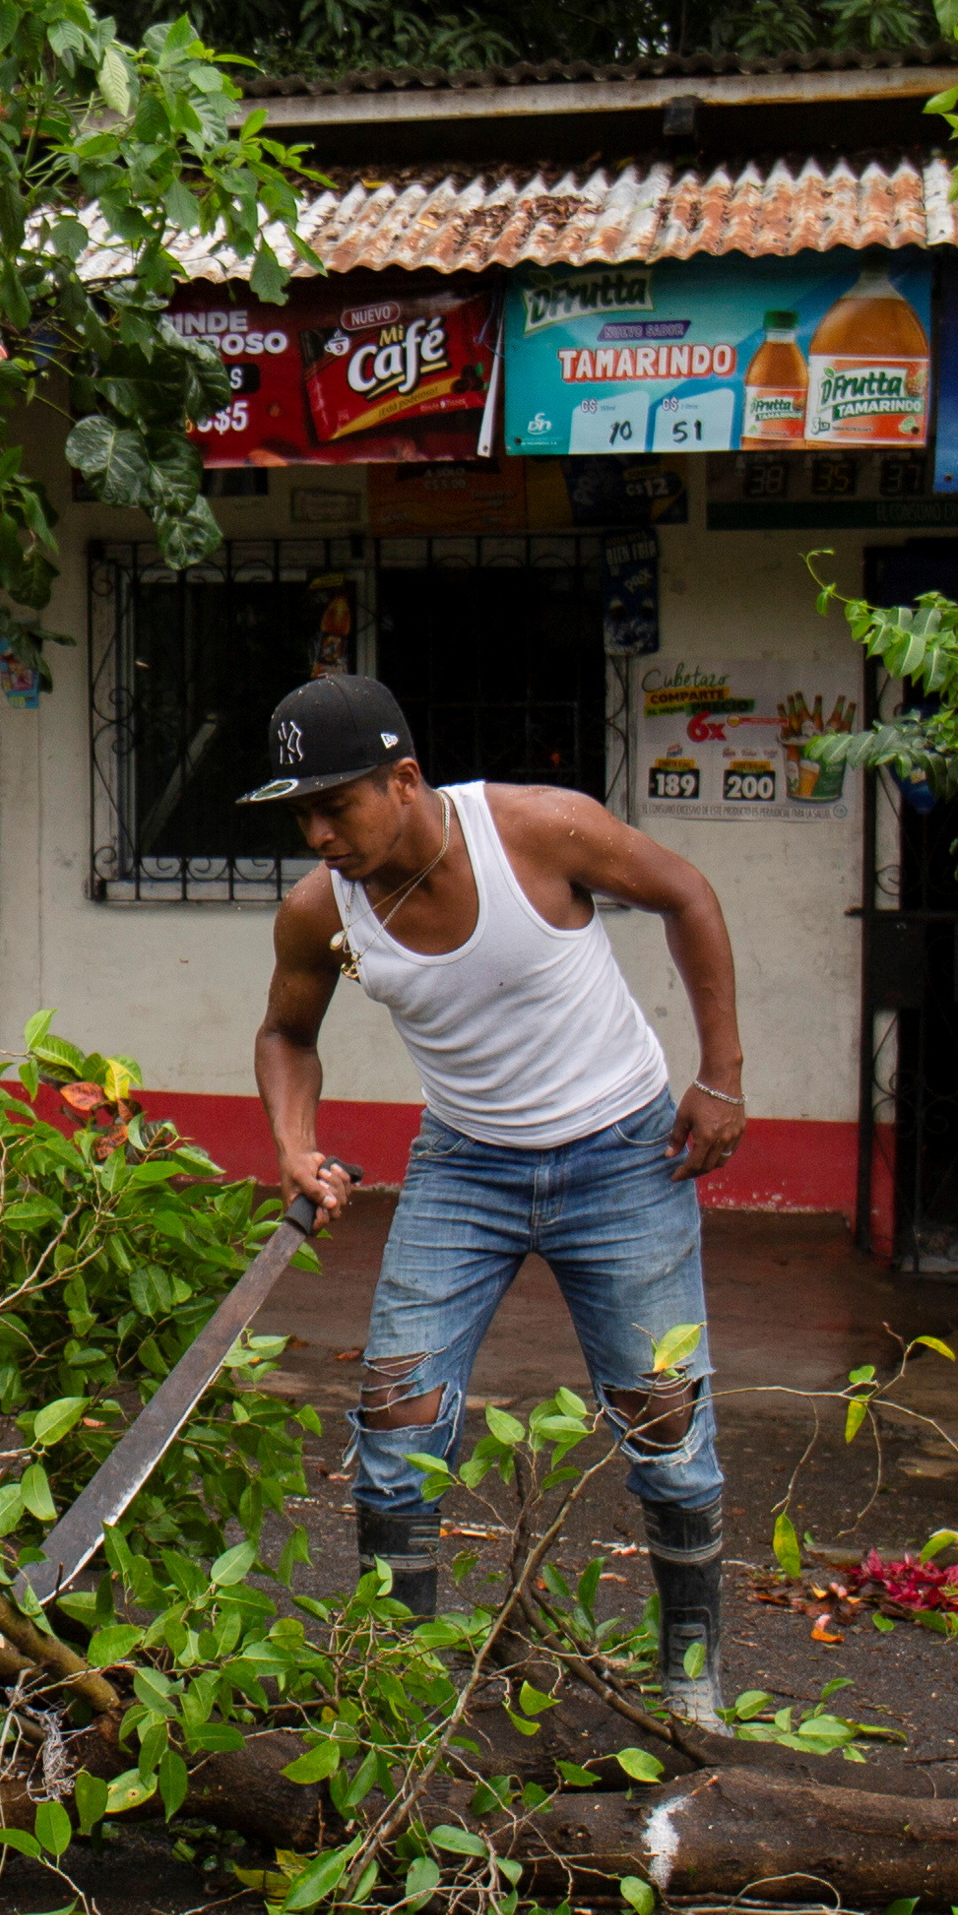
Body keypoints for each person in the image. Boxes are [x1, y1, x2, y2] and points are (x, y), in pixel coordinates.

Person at [244, 672, 753, 1721]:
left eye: (335, 804)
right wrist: (294, 1145)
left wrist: (721, 1077)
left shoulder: (539, 830)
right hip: (464, 1169)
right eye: (301, 812)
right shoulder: (318, 911)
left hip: (624, 1157)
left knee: (666, 1426)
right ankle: (406, 1691)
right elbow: (286, 1034)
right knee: (395, 1425)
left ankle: (690, 1680)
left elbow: (687, 894)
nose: (319, 833)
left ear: (404, 778)